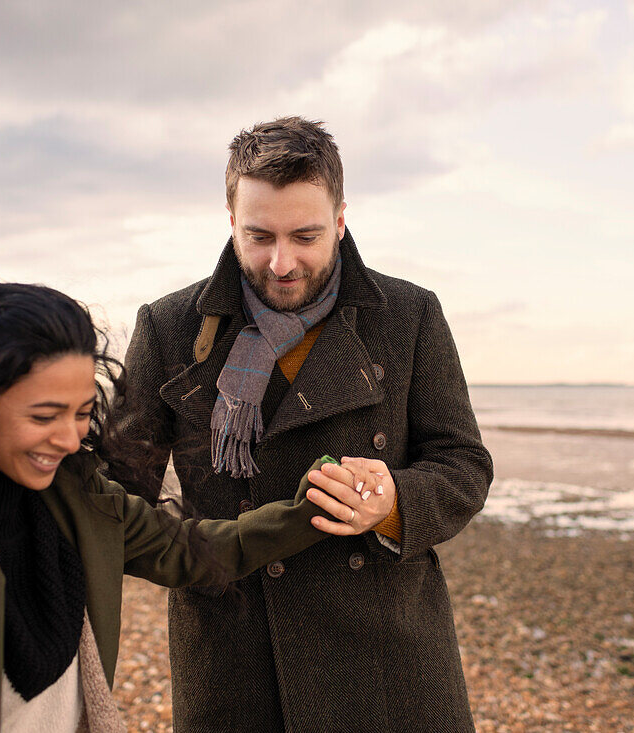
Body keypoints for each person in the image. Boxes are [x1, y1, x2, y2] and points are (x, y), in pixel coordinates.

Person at [0, 282, 369, 732]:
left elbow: (191, 549)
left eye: (79, 412)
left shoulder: (77, 493)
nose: (69, 440)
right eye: (43, 416)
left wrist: (310, 509)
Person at [116, 116, 494, 731]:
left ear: (341, 220)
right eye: (260, 236)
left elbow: (464, 464)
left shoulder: (408, 315)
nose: (282, 262)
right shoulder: (170, 328)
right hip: (235, 656)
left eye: (306, 236)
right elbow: (119, 494)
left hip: (385, 657)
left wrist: (393, 501)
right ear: (231, 221)